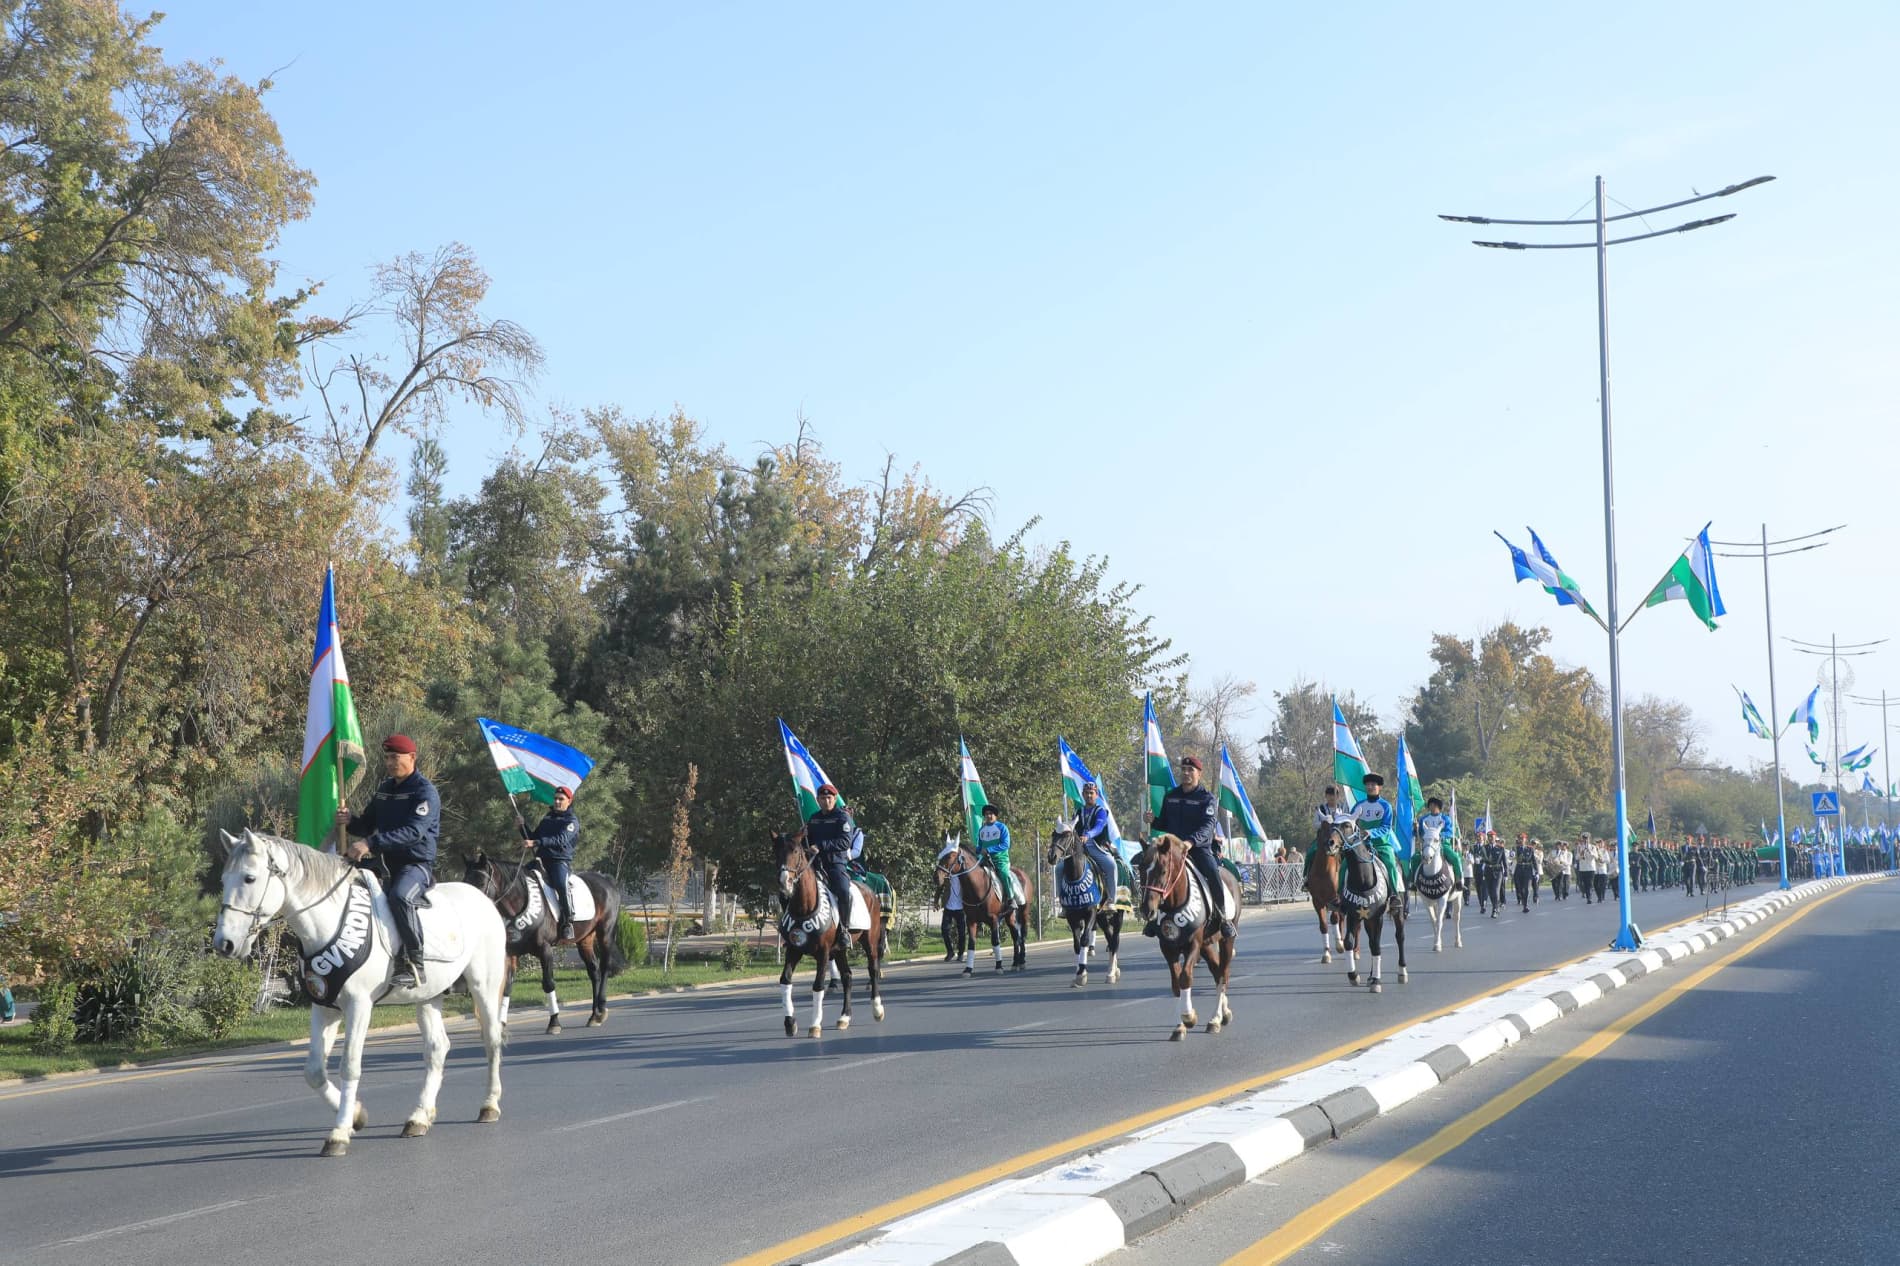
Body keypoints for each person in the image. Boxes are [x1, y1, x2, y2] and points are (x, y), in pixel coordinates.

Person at [335, 734, 440, 988]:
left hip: (415, 866)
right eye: (387, 758)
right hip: (383, 864)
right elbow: (366, 825)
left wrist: (369, 844)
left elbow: (413, 832)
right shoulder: (384, 789)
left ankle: (415, 964)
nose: (390, 763)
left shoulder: (424, 792)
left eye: (395, 757)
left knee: (400, 897)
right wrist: (350, 821)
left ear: (412, 757)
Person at [1147, 755, 1230, 938]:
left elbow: (1207, 826)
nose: (1186, 773)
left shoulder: (1207, 798)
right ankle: (1151, 918)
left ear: (1199, 774)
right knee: (1153, 871)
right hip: (1172, 849)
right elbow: (1165, 823)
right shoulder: (1171, 796)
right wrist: (1154, 821)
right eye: (1183, 770)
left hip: (1198, 848)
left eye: (1190, 770)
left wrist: (1190, 842)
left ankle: (1223, 917)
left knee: (1213, 873)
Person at [521, 785, 579, 940]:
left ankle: (567, 922)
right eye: (556, 799)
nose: (557, 802)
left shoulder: (571, 821)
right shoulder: (547, 818)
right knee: (520, 878)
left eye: (561, 799)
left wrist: (536, 843)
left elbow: (560, 840)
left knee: (561, 884)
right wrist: (522, 826)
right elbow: (532, 837)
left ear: (569, 801)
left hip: (559, 862)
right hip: (541, 860)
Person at [805, 784, 859, 929]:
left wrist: (820, 846)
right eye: (823, 798)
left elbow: (845, 842)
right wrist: (803, 836)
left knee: (843, 890)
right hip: (814, 863)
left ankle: (844, 929)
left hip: (835, 863)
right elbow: (808, 841)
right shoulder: (814, 818)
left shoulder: (842, 817)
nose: (826, 801)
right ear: (818, 800)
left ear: (835, 799)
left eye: (829, 798)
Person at [1350, 773, 1405, 899]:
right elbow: (1351, 824)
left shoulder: (1386, 806)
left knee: (1391, 863)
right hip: (1360, 845)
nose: (1370, 787)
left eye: (1373, 785)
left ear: (1379, 787)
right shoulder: (1358, 806)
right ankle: (1339, 896)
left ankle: (1394, 895)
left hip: (1381, 845)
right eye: (1368, 784)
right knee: (1343, 866)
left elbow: (1386, 828)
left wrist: (1371, 832)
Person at [1408, 797, 1464, 890]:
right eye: (1430, 805)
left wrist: (1438, 834)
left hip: (1442, 845)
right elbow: (1418, 833)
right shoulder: (1423, 819)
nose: (1432, 807)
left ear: (1439, 807)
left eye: (1434, 805)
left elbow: (1450, 832)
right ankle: (1413, 882)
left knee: (1455, 858)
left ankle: (1458, 880)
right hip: (1427, 845)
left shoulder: (1445, 819)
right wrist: (1415, 828)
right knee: (1415, 858)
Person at [1306, 784, 1356, 889]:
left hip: (1339, 840)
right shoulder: (1321, 809)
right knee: (1310, 852)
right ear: (1326, 796)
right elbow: (1315, 824)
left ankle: (1353, 877)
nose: (1332, 797)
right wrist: (1324, 823)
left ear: (1338, 796)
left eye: (1334, 795)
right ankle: (1306, 878)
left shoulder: (1343, 808)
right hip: (1323, 839)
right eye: (1329, 795)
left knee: (1351, 853)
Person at [976, 803, 1023, 907]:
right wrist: (977, 850)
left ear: (995, 815)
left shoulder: (1002, 827)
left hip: (1000, 860)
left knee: (1004, 874)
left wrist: (989, 850)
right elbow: (979, 846)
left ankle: (1011, 899)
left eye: (991, 813)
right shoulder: (981, 830)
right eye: (986, 814)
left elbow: (1006, 844)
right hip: (984, 860)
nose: (988, 816)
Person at [1512, 833, 1537, 913]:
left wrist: (1536, 871)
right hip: (1519, 869)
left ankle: (1525, 905)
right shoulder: (1515, 848)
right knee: (1519, 889)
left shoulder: (1530, 849)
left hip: (1527, 869)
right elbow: (1512, 857)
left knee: (1526, 888)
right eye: (1520, 839)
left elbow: (1533, 860)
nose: (1521, 840)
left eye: (1523, 839)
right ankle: (1523, 900)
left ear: (1525, 839)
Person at [1575, 832, 1598, 904]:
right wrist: (1581, 854)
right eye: (1584, 838)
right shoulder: (1579, 847)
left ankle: (1589, 898)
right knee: (1584, 884)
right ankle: (1587, 895)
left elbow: (1596, 857)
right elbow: (1577, 857)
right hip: (1583, 868)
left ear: (1589, 839)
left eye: (1587, 838)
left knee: (1590, 883)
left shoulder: (1593, 847)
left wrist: (1590, 852)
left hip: (1591, 868)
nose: (1585, 840)